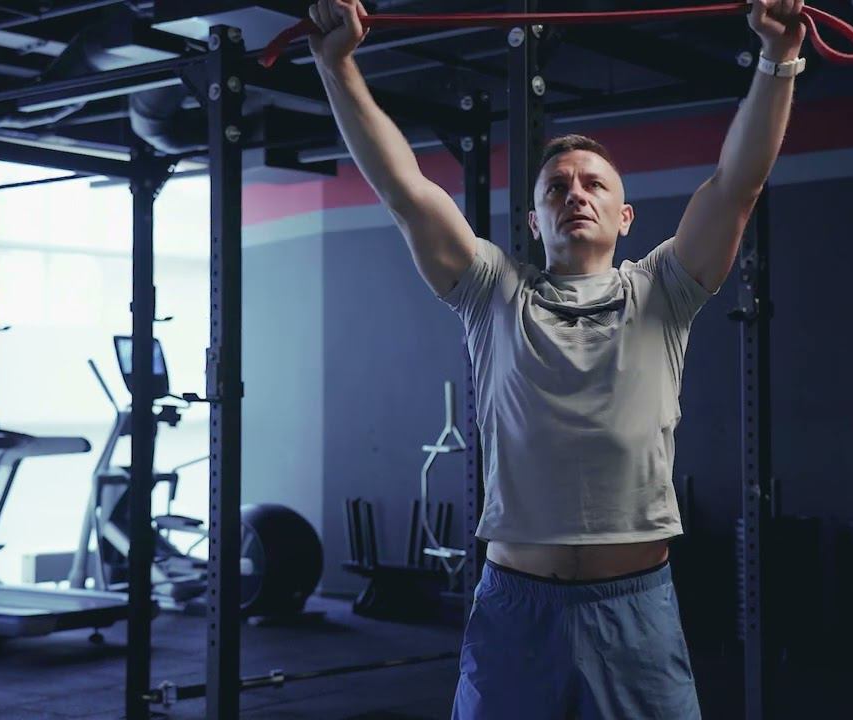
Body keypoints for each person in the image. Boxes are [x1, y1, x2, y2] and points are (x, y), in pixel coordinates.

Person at [306, 0, 807, 716]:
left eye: (594, 184)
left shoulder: (663, 291)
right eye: (556, 188)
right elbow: (405, 192)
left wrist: (778, 59)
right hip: (516, 609)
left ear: (625, 217)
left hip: (634, 611)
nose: (575, 195)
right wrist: (337, 66)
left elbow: (737, 185)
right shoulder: (492, 291)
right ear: (534, 219)